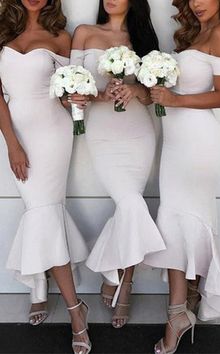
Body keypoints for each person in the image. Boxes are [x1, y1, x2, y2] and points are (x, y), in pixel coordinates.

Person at [144, 0, 220, 353]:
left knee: (178, 220)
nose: (197, 3)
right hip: (175, 145)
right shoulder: (195, 34)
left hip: (199, 145)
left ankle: (177, 313)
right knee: (176, 221)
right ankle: (187, 303)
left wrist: (175, 100)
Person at [0, 1, 91, 353]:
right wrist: (12, 144)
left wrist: (78, 98)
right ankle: (50, 291)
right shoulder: (3, 33)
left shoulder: (60, 36)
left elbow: (68, 93)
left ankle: (73, 312)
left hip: (53, 133)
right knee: (40, 212)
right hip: (17, 131)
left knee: (44, 211)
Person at [70, 0, 165, 328]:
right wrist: (98, 96)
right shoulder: (84, 32)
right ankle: (116, 277)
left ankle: (123, 284)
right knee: (130, 204)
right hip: (102, 132)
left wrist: (135, 89)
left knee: (130, 207)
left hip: (138, 131)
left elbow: (154, 91)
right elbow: (71, 85)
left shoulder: (142, 38)